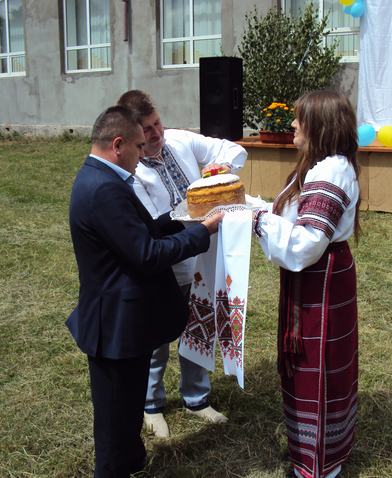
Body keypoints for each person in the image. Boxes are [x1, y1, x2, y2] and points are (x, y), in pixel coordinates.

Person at [67, 105, 223, 477]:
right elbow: (146, 254)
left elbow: (141, 230)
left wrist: (184, 217)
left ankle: (132, 460)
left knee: (126, 407)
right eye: (139, 147)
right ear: (118, 145)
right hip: (114, 325)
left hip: (125, 321)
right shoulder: (104, 188)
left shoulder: (103, 178)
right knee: (115, 416)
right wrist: (202, 232)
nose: (143, 154)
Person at [116, 90, 247, 437]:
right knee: (156, 339)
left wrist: (219, 173)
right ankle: (151, 404)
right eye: (146, 129)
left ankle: (196, 398)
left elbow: (231, 150)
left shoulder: (179, 140)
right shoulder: (132, 172)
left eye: (157, 123)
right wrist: (196, 217)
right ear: (132, 132)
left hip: (201, 258)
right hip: (166, 264)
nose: (156, 133)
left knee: (198, 327)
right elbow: (153, 224)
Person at [252, 91, 360, 478]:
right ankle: (315, 454)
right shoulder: (324, 166)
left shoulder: (330, 173)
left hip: (320, 280)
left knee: (320, 364)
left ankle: (318, 466)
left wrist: (256, 221)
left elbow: (305, 243)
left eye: (300, 119)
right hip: (320, 276)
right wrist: (250, 206)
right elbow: (296, 219)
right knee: (316, 364)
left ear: (320, 126)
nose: (293, 124)